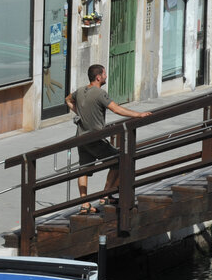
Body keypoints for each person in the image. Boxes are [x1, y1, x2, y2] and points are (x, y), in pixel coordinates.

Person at [64, 65, 150, 214]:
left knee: (83, 170)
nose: (106, 76)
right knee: (119, 160)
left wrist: (79, 113)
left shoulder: (80, 91)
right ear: (98, 77)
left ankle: (84, 203)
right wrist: (138, 115)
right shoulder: (100, 94)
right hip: (95, 138)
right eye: (104, 74)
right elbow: (116, 109)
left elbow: (67, 99)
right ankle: (105, 195)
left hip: (81, 137)